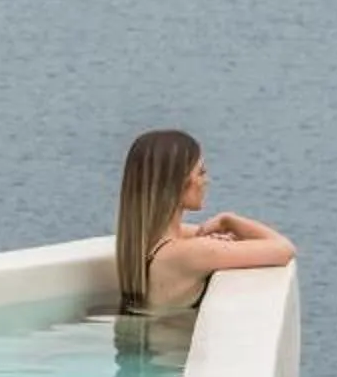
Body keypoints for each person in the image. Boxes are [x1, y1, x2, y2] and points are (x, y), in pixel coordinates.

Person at [112, 128, 293, 347]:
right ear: (178, 182)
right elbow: (284, 249)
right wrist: (230, 220)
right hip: (174, 367)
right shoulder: (191, 253)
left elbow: (200, 236)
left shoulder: (141, 241)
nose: (207, 181)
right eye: (201, 172)